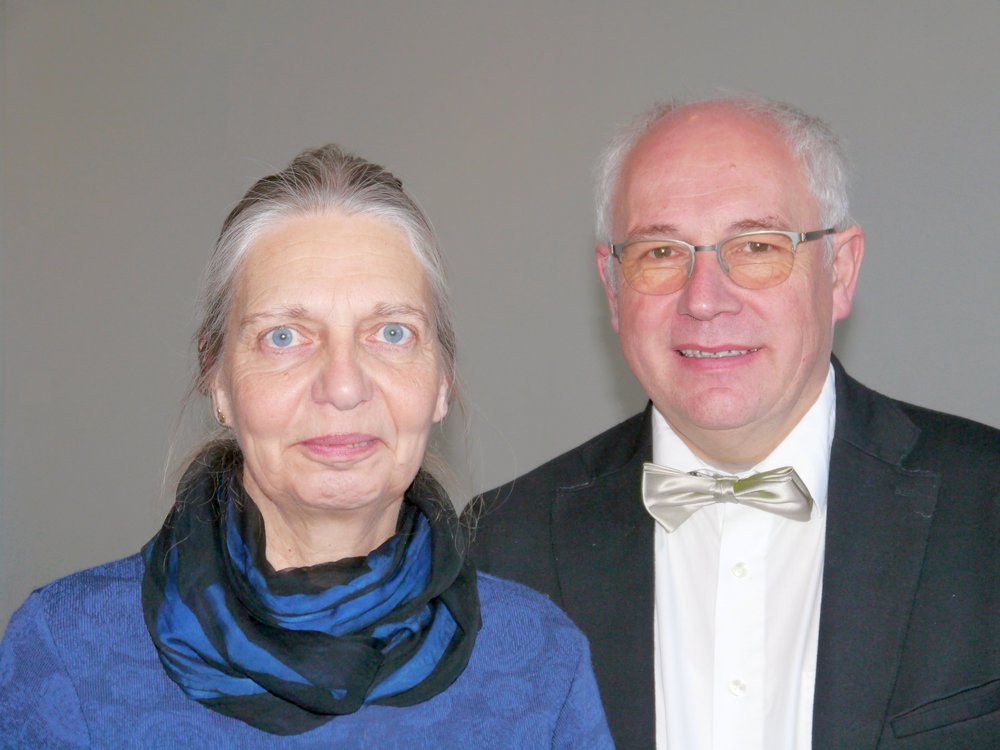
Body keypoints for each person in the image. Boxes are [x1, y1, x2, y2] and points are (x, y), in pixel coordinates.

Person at [0, 145, 614, 748]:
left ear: (442, 382)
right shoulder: (68, 652)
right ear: (219, 381)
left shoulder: (542, 662)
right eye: (284, 337)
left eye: (391, 333)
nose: (343, 386)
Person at [467, 96, 1000, 750]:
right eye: (661, 252)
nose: (704, 300)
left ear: (840, 271)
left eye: (756, 246)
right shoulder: (499, 548)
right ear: (613, 287)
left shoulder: (988, 507)